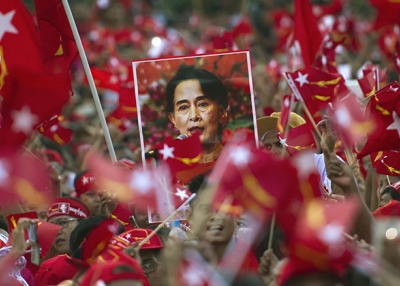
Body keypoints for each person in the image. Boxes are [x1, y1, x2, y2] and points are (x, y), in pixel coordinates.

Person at [166, 65, 229, 164]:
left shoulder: (238, 163)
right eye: (183, 107)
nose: (194, 116)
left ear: (221, 112)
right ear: (173, 119)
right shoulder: (168, 173)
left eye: (202, 104)